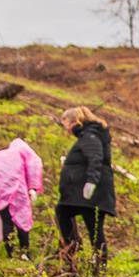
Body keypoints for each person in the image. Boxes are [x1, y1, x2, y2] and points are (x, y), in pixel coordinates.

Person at [56, 106, 114, 267]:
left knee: (93, 228)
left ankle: (95, 263)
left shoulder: (90, 136)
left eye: (65, 123)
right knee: (64, 211)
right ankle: (74, 251)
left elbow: (96, 158)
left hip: (91, 194)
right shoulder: (89, 135)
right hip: (81, 194)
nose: (65, 128)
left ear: (74, 121)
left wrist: (91, 182)